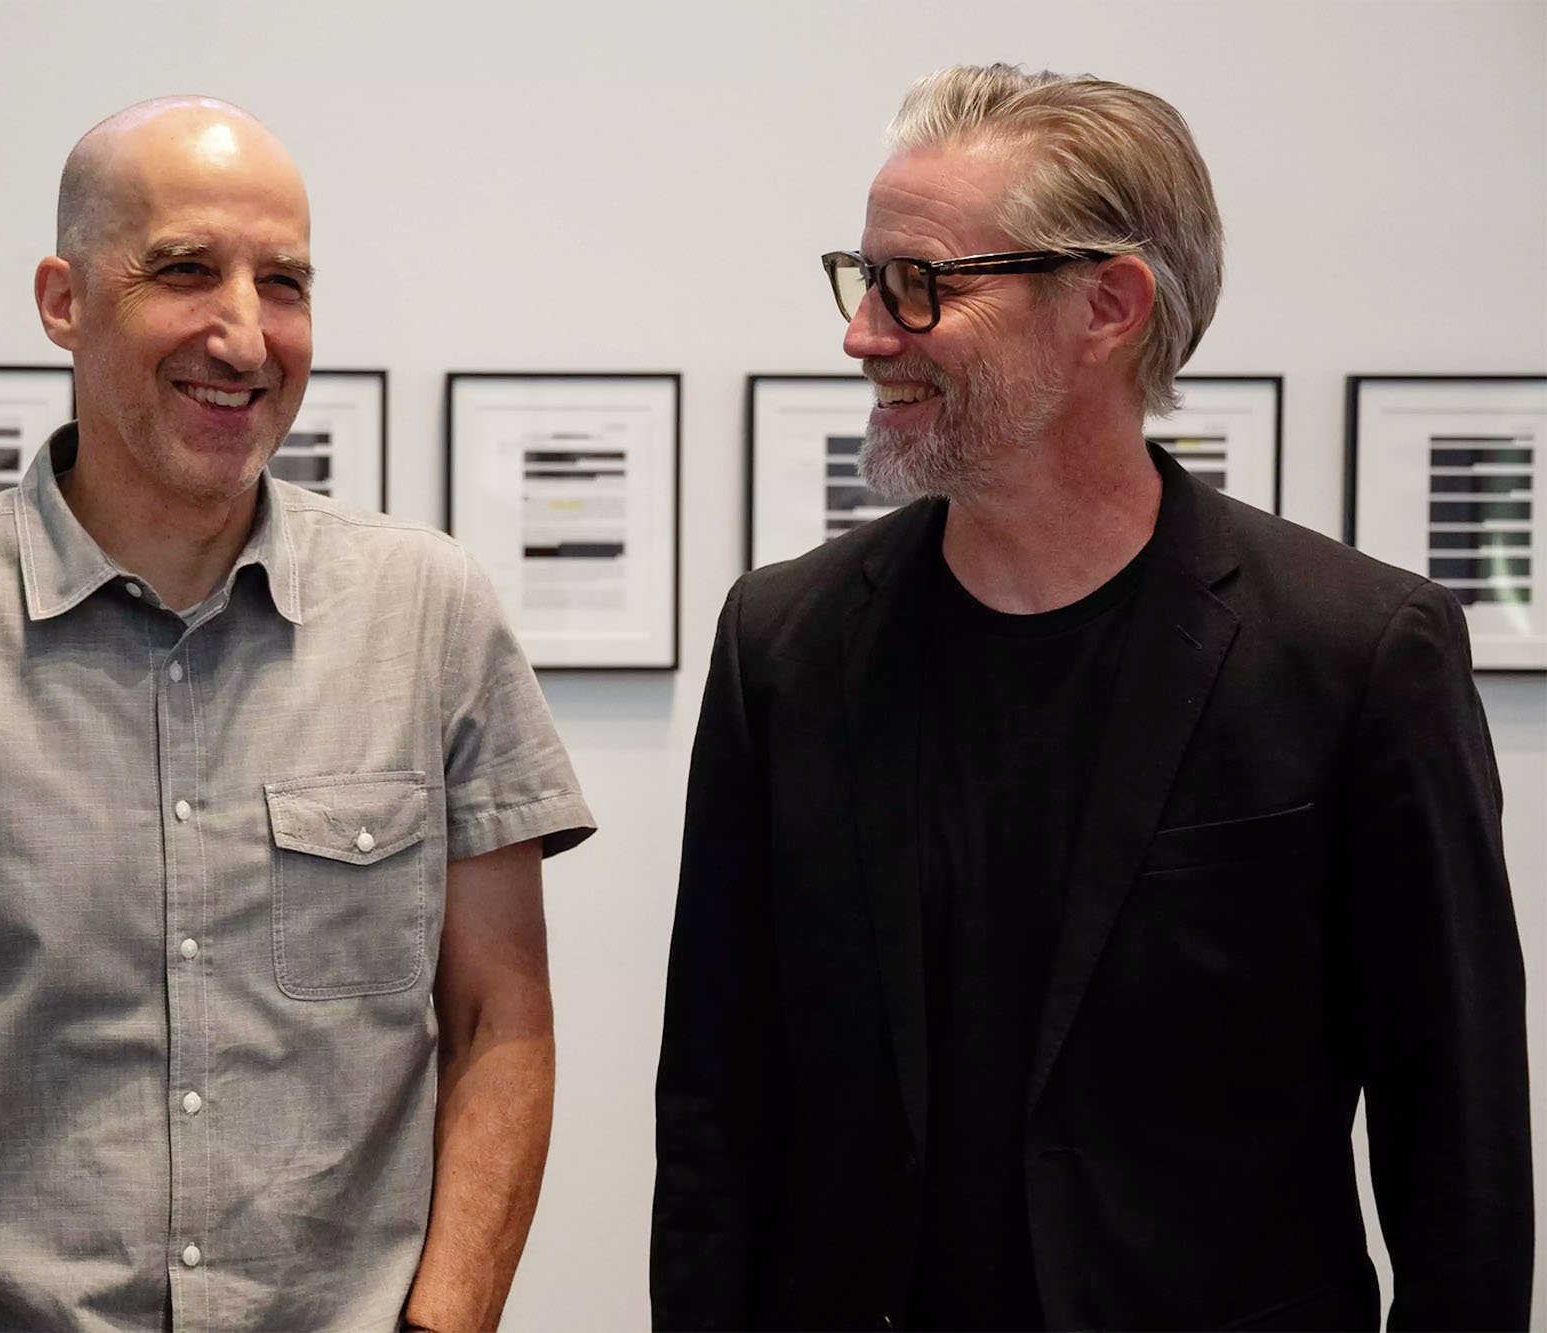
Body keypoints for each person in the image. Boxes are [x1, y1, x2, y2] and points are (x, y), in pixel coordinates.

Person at [0, 96, 593, 1332]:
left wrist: (448, 1318)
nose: (247, 336)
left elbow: (500, 1025)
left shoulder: (428, 616)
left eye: (287, 283)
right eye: (186, 271)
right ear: (63, 300)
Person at [652, 63, 1529, 1331]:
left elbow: (1457, 1151)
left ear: (1106, 305)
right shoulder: (783, 644)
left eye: (918, 285)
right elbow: (716, 1112)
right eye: (861, 278)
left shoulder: (1354, 654)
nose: (861, 333)